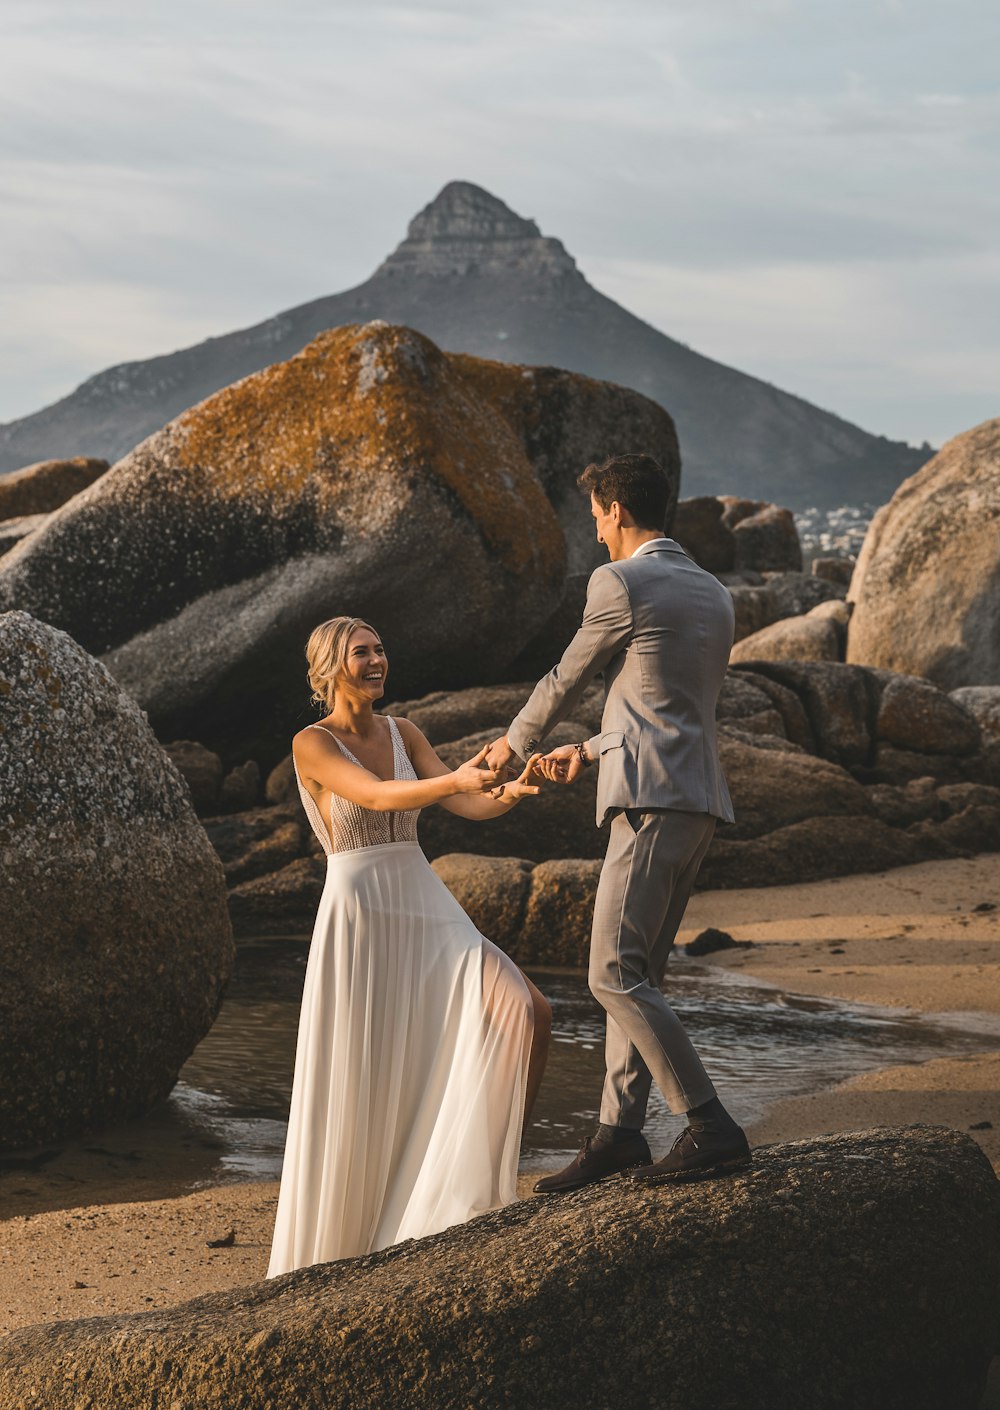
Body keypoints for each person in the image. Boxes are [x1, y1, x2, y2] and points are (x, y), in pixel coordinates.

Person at [486, 453, 750, 1191]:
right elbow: (666, 705)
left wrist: (515, 747)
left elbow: (565, 675)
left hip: (651, 805)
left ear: (617, 511)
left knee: (610, 972)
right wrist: (590, 748)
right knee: (642, 975)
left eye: (597, 516)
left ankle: (710, 1125)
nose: (596, 531)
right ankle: (616, 1133)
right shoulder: (712, 591)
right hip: (697, 800)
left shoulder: (621, 581)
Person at [267, 616, 551, 1276]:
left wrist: (508, 791)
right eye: (361, 652)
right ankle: (366, 1240)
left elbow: (464, 806)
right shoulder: (311, 743)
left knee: (525, 1008)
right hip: (361, 908)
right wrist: (455, 781)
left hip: (419, 892)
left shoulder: (404, 732)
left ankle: (478, 1186)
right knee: (372, 1072)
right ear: (330, 667)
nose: (376, 660)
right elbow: (375, 794)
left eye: (380, 649)